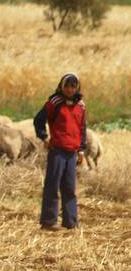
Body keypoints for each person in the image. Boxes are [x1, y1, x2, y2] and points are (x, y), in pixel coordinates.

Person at [33, 73, 87, 231]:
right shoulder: (54, 103)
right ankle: (48, 222)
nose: (70, 89)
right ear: (61, 87)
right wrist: (44, 137)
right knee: (52, 186)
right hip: (57, 151)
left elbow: (82, 129)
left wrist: (82, 150)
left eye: (73, 86)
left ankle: (71, 222)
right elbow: (38, 120)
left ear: (77, 87)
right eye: (67, 86)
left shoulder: (81, 106)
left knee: (70, 188)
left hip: (72, 153)